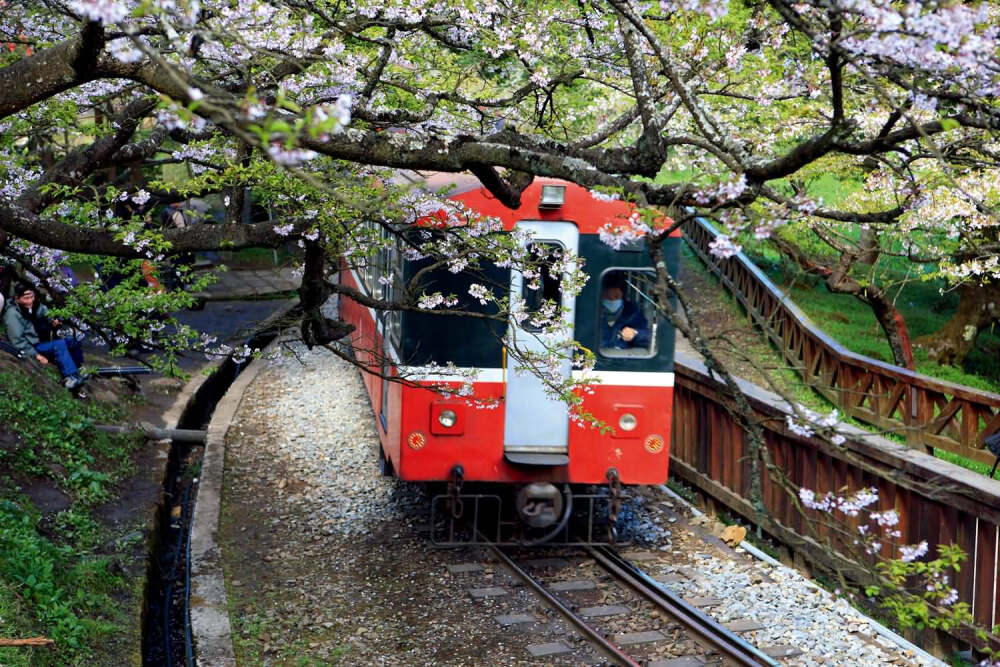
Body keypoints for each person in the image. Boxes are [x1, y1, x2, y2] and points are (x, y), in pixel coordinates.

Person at [4, 282, 87, 391]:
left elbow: (48, 314)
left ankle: (79, 368)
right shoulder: (12, 314)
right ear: (17, 299)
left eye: (31, 297)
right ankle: (70, 377)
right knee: (59, 345)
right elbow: (17, 341)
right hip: (33, 346)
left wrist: (54, 321)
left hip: (41, 340)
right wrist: (36, 355)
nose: (30, 301)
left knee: (71, 341)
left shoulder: (36, 306)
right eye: (26, 298)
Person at [599, 272, 651, 350]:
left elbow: (648, 337)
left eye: (616, 296)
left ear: (622, 295)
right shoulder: (591, 314)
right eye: (607, 297)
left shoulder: (632, 313)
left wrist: (635, 333)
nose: (612, 300)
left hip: (624, 359)